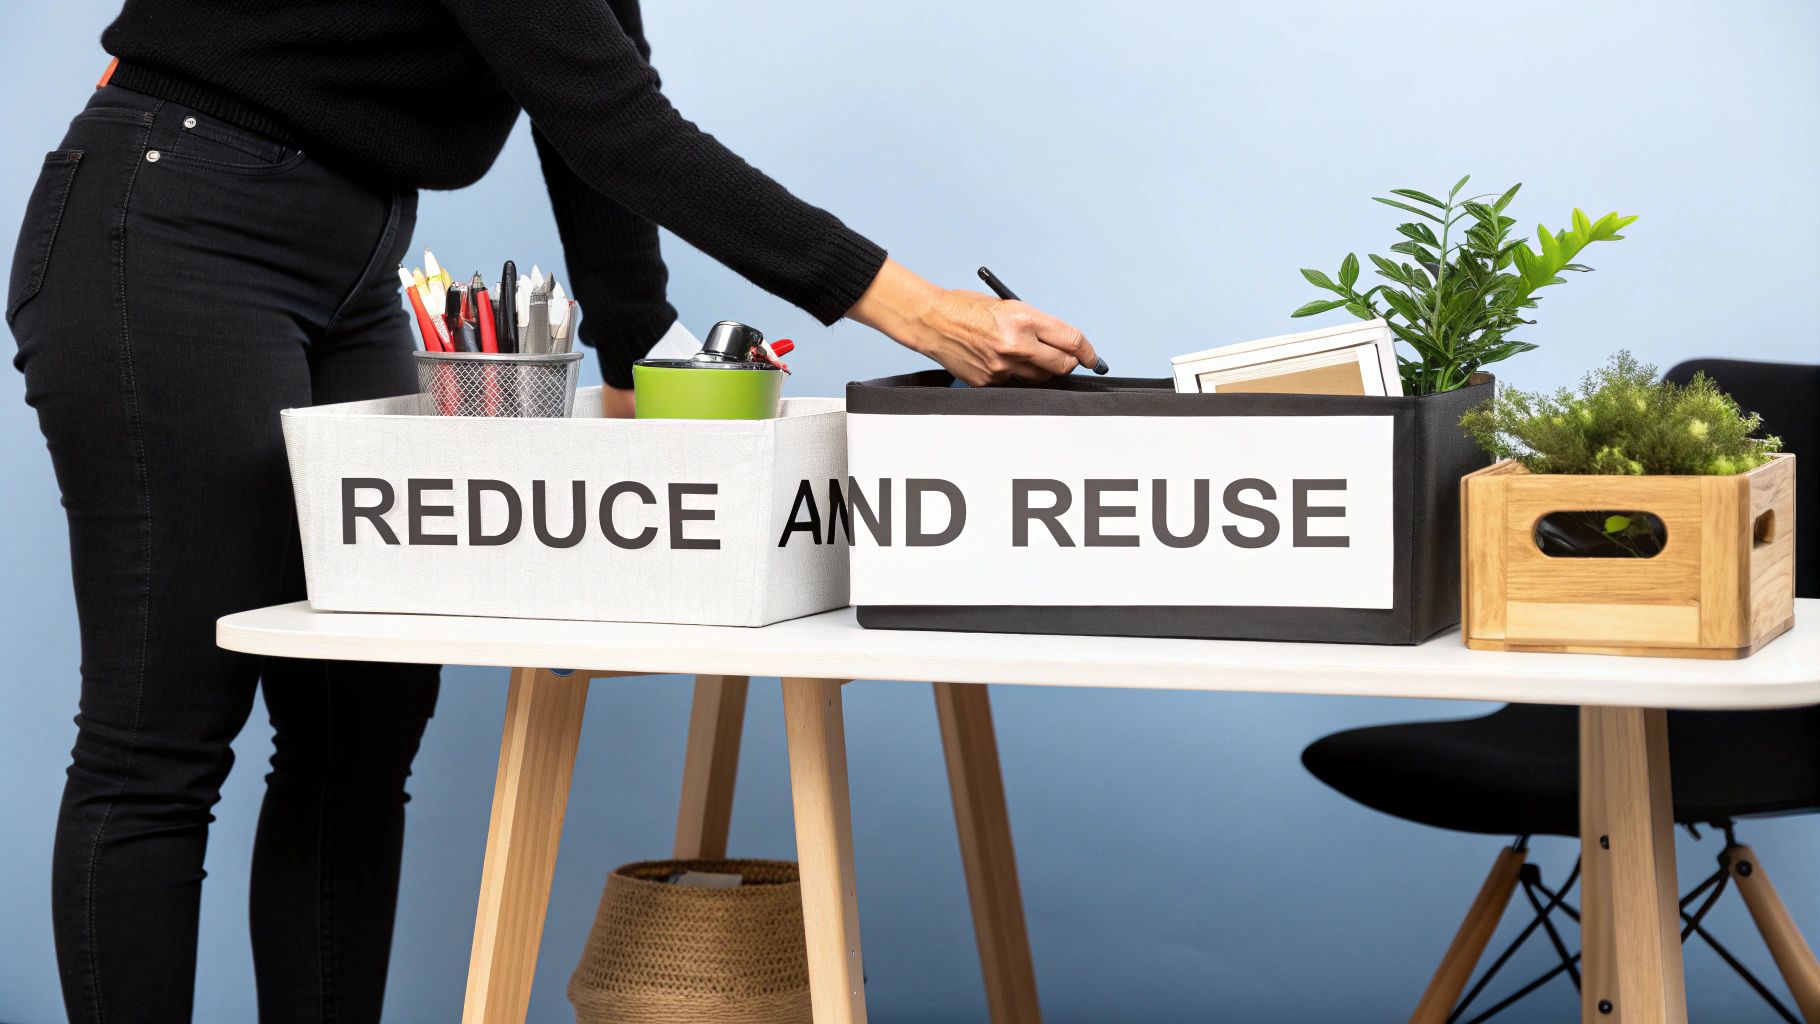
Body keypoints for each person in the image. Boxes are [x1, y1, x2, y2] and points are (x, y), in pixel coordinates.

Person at [5, 0, 1097, 1020]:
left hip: (349, 261)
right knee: (162, 734)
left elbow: (590, 113)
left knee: (359, 730)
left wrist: (633, 367)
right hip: (173, 222)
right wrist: (922, 312)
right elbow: (622, 129)